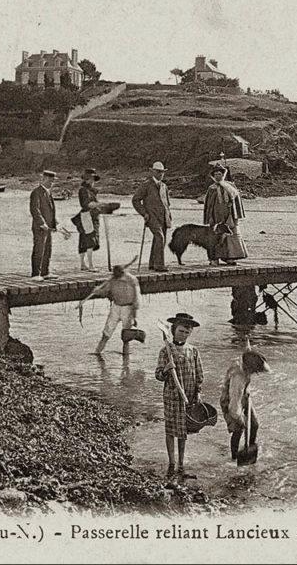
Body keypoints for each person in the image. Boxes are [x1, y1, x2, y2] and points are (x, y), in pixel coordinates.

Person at [154, 312, 203, 479]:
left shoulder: (193, 351)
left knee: (183, 431)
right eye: (181, 331)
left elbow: (199, 374)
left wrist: (198, 392)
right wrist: (167, 369)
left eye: (187, 332)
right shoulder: (165, 351)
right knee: (171, 430)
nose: (184, 334)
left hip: (188, 396)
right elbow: (159, 375)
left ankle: (181, 464)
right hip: (172, 396)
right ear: (173, 331)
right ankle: (171, 463)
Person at [77, 261, 142, 355]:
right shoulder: (112, 280)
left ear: (122, 273)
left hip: (128, 308)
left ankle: (126, 359)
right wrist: (97, 291)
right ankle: (97, 352)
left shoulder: (132, 280)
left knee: (126, 337)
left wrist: (135, 316)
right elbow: (105, 292)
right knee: (106, 333)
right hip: (116, 307)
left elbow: (136, 298)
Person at [219, 345, 270, 461]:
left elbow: (247, 350)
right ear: (249, 368)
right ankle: (234, 457)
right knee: (239, 429)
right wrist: (241, 420)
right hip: (230, 401)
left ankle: (250, 448)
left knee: (254, 424)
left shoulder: (244, 361)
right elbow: (233, 407)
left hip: (244, 396)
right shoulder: (238, 377)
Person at [202, 164, 248, 265]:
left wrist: (233, 208)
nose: (218, 176)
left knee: (231, 235)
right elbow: (209, 205)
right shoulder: (212, 188)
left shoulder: (230, 186)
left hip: (229, 216)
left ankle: (230, 257)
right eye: (216, 174)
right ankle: (214, 258)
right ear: (213, 176)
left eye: (220, 174)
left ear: (223, 175)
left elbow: (236, 200)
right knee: (216, 237)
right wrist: (210, 217)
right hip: (216, 216)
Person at [132, 161, 172, 272]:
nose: (161, 174)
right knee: (160, 237)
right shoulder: (146, 185)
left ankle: (153, 263)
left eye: (162, 172)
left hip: (163, 217)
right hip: (151, 217)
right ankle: (159, 265)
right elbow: (135, 200)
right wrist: (144, 213)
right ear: (153, 172)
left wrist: (169, 216)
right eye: (158, 172)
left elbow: (167, 203)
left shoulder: (164, 186)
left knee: (159, 240)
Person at [29, 170, 59, 282]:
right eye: (51, 180)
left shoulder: (48, 193)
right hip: (39, 227)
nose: (52, 183)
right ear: (44, 179)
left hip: (48, 227)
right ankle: (35, 273)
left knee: (48, 249)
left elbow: (51, 211)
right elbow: (34, 210)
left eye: (53, 181)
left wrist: (54, 223)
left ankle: (45, 272)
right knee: (39, 249)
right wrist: (42, 223)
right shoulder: (36, 192)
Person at [76, 168, 101, 271]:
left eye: (93, 179)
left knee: (84, 239)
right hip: (88, 216)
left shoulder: (89, 190)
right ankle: (90, 265)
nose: (92, 181)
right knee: (90, 240)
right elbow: (86, 204)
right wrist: (99, 205)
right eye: (90, 179)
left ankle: (83, 264)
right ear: (86, 179)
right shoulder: (84, 190)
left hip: (87, 216)